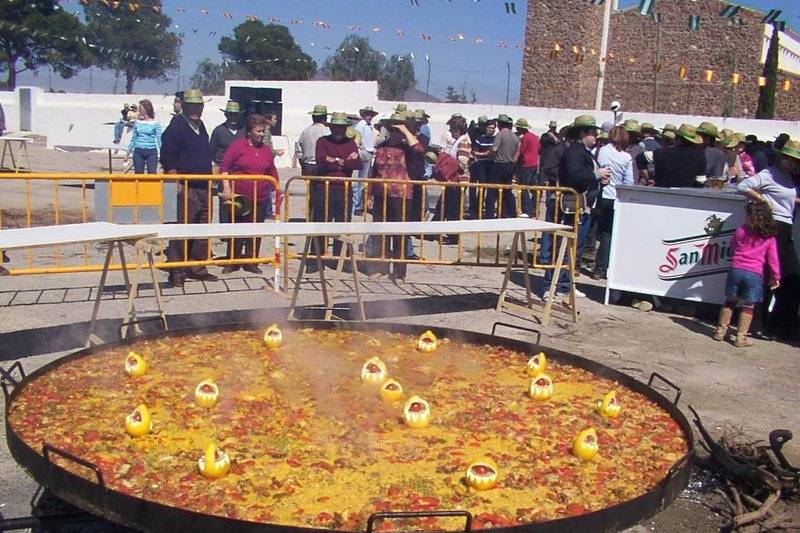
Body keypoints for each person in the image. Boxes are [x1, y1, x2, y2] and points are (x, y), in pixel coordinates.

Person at [737, 138, 800, 340]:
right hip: (774, 227)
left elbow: (786, 199)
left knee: (788, 278)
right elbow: (744, 185)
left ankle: (777, 325)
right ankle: (760, 326)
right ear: (780, 157)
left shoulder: (788, 178)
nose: (790, 163)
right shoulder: (769, 174)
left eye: (794, 160)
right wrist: (763, 200)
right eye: (787, 158)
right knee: (771, 277)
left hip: (785, 228)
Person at [544, 114, 610, 300]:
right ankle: (551, 284)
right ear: (583, 133)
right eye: (592, 133)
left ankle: (564, 285)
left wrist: (599, 180)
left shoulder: (582, 152)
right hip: (572, 206)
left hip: (582, 206)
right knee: (562, 247)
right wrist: (597, 175)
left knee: (573, 249)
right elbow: (575, 176)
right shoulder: (575, 152)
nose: (595, 137)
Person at [160, 88, 218, 287]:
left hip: (204, 185)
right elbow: (168, 157)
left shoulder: (200, 126)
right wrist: (176, 184)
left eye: (198, 106)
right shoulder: (176, 127)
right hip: (185, 185)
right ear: (184, 106)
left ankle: (197, 267)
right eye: (191, 106)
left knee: (201, 229)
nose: (195, 110)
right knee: (181, 229)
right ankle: (176, 270)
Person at [219, 114, 279, 275]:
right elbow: (224, 167)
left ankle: (252, 261)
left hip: (260, 197)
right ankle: (232, 261)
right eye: (259, 131)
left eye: (263, 131)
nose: (261, 134)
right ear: (250, 131)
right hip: (240, 197)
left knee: (256, 229)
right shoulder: (237, 146)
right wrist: (226, 188)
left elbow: (272, 171)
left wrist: (278, 190)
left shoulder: (266, 150)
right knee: (237, 228)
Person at [713, 201, 780, 347]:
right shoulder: (769, 238)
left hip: (736, 269)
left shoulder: (740, 231)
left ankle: (721, 331)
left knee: (729, 301)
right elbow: (773, 259)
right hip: (754, 274)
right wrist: (776, 277)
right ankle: (740, 337)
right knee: (748, 306)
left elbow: (733, 247)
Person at [366, 113, 423, 283]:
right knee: (381, 233)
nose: (394, 133)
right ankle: (380, 268)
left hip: (402, 195)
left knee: (400, 234)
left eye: (397, 130)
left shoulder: (408, 149)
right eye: (392, 129)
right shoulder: (381, 148)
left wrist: (405, 129)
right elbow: (373, 172)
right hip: (381, 194)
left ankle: (399, 272)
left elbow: (419, 150)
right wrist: (368, 193)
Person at [310, 112, 362, 271]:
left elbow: (358, 164)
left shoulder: (351, 143)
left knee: (343, 225)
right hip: (324, 188)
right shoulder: (322, 141)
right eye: (336, 127)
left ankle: (340, 260)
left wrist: (336, 160)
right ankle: (315, 259)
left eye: (342, 128)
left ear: (346, 128)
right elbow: (321, 163)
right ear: (331, 127)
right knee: (319, 224)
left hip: (344, 189)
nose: (338, 131)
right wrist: (346, 161)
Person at [593, 126, 634, 280]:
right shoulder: (626, 157)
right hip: (615, 197)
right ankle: (602, 268)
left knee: (594, 229)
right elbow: (628, 182)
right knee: (608, 234)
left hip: (599, 195)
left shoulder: (601, 151)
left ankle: (582, 262)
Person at [485, 114, 520, 219]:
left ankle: (489, 215)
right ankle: (507, 213)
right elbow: (517, 154)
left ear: (499, 124)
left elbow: (494, 149)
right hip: (510, 166)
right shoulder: (515, 137)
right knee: (506, 190)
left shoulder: (500, 135)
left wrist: (488, 153)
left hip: (499, 164)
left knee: (492, 191)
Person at [353, 106, 379, 217]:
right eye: (368, 114)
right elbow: (357, 139)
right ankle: (356, 206)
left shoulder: (369, 126)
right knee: (360, 181)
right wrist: (360, 150)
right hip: (364, 152)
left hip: (368, 153)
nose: (370, 116)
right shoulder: (361, 125)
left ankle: (359, 205)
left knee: (363, 181)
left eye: (371, 115)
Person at [468, 119, 496, 219]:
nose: (491, 130)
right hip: (481, 165)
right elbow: (474, 152)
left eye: (493, 128)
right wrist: (485, 154)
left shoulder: (495, 139)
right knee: (481, 187)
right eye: (490, 128)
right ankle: (475, 209)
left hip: (492, 166)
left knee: (490, 190)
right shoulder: (480, 139)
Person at [124, 99, 161, 174]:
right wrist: (127, 153)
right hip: (138, 151)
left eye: (140, 108)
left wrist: (162, 153)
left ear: (146, 109)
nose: (139, 110)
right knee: (138, 175)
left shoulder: (155, 123)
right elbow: (133, 139)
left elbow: (159, 139)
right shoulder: (137, 123)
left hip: (151, 151)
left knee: (152, 174)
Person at [295, 105, 330, 176]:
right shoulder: (328, 131)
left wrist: (304, 165)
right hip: (323, 166)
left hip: (308, 166)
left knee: (310, 186)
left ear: (313, 117)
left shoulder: (305, 131)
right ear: (325, 117)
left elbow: (298, 151)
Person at [515, 118, 540, 217]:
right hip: (534, 164)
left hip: (526, 165)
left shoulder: (525, 137)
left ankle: (527, 210)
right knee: (533, 188)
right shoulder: (534, 136)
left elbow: (522, 151)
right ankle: (534, 208)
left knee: (524, 188)